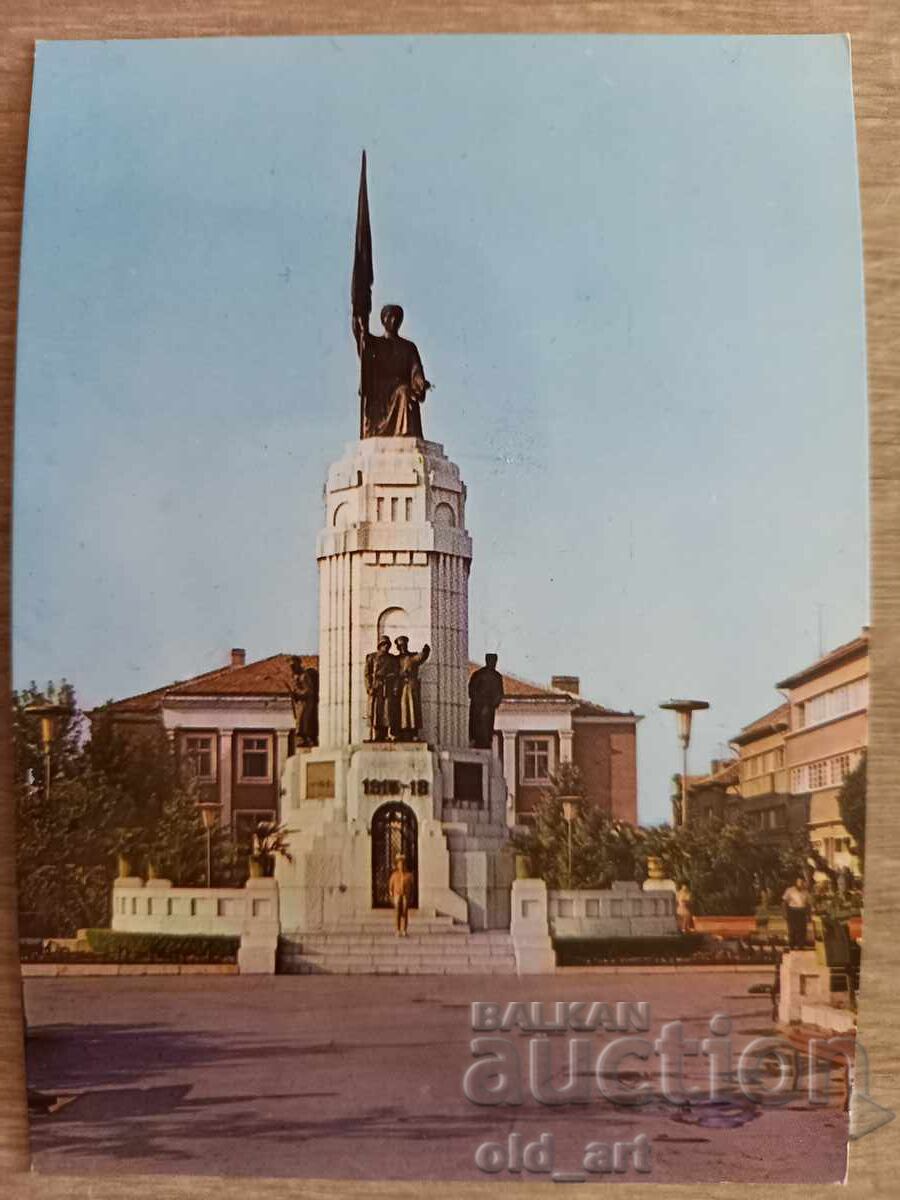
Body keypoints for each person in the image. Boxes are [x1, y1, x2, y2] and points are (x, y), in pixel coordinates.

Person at [354, 304, 431, 438]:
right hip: (380, 392)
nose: (394, 320)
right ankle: (402, 433)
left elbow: (416, 370)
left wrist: (420, 382)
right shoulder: (375, 343)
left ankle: (404, 433)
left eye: (397, 317)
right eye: (390, 317)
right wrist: (359, 315)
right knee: (404, 392)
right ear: (383, 320)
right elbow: (359, 333)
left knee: (405, 391)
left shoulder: (408, 347)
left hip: (402, 389)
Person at [394, 636, 431, 740]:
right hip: (400, 687)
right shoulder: (396, 659)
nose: (403, 648)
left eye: (404, 645)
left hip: (411, 686)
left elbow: (421, 657)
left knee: (412, 709)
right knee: (401, 710)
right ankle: (400, 732)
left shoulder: (413, 657)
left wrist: (425, 650)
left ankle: (413, 733)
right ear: (398, 647)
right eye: (400, 646)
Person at [365, 636, 399, 741]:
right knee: (375, 711)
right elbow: (367, 674)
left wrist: (395, 687)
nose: (386, 647)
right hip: (376, 687)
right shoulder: (372, 657)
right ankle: (376, 735)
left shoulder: (392, 658)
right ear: (379, 645)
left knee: (387, 711)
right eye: (384, 644)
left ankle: (388, 733)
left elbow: (396, 674)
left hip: (387, 687)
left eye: (387, 645)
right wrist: (369, 687)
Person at [468, 653, 504, 749]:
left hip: (486, 708)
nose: (493, 663)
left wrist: (491, 705)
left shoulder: (497, 677)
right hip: (478, 708)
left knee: (486, 730)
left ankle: (485, 743)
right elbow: (471, 691)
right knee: (479, 729)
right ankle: (478, 742)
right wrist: (481, 703)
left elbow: (499, 695)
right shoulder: (479, 675)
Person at [388, 853, 415, 937]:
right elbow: (390, 887)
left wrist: (411, 896)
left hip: (405, 895)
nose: (401, 866)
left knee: (405, 912)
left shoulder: (409, 876)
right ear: (397, 865)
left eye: (403, 864)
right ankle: (397, 929)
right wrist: (392, 896)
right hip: (397, 895)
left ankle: (404, 930)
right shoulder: (394, 875)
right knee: (397, 913)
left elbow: (412, 887)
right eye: (399, 864)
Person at [782, 876, 811, 949]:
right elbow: (784, 903)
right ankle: (791, 945)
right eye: (799, 882)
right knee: (792, 929)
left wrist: (808, 915)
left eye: (802, 882)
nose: (801, 884)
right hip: (793, 912)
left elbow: (808, 904)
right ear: (796, 882)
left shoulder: (806, 892)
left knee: (802, 930)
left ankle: (801, 946)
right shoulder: (790, 890)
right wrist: (785, 913)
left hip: (802, 912)